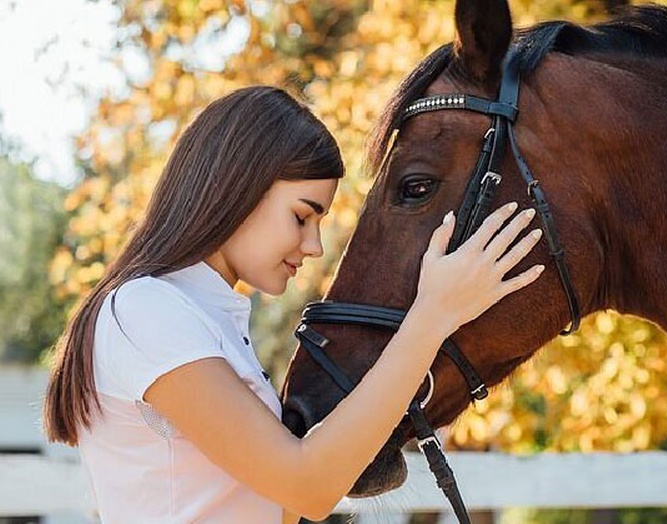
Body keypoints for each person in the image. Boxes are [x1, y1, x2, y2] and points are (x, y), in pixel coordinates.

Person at [43, 85, 544, 523]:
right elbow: (306, 487)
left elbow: (283, 505)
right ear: (237, 188)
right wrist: (432, 317)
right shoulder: (147, 310)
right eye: (302, 217)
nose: (314, 246)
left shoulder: (210, 322)